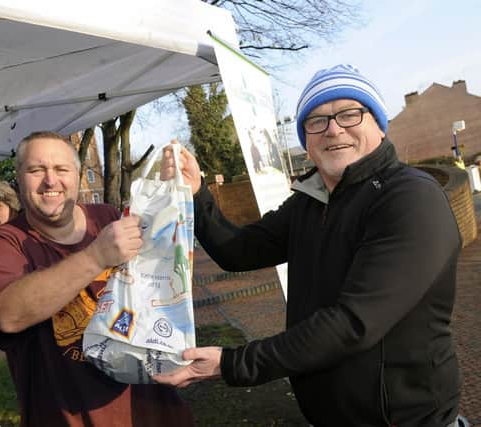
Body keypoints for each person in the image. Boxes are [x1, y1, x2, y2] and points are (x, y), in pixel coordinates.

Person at [155, 64, 463, 427]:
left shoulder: (409, 198)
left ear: (379, 125)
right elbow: (239, 250)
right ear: (306, 138)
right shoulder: (311, 201)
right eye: (316, 120)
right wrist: (197, 193)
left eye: (349, 114)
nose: (333, 129)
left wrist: (231, 363)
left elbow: (352, 324)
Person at [0, 131, 194, 426]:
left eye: (61, 169)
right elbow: (9, 315)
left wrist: (173, 193)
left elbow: (157, 275)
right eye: (36, 170)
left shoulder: (105, 216)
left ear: (78, 175)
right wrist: (96, 257)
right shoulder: (4, 242)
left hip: (154, 410)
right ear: (19, 178)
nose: (51, 180)